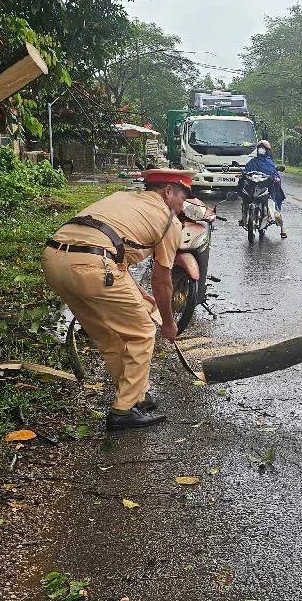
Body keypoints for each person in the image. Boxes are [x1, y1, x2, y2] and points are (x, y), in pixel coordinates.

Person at [42, 169, 193, 432]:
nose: (183, 205)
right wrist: (169, 324)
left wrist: (137, 292)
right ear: (168, 192)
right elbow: (162, 281)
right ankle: (123, 412)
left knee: (107, 336)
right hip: (93, 266)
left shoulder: (123, 197)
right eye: (182, 196)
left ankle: (134, 397)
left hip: (54, 260)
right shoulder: (169, 220)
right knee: (143, 333)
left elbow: (113, 248)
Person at [242, 139, 287, 238]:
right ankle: (244, 217)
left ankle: (282, 228)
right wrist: (242, 174)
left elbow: (274, 173)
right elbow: (246, 170)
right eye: (260, 148)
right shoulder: (253, 161)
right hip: (253, 187)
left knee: (275, 207)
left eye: (264, 149)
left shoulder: (269, 162)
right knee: (244, 195)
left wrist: (276, 179)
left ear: (267, 150)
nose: (261, 150)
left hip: (267, 187)